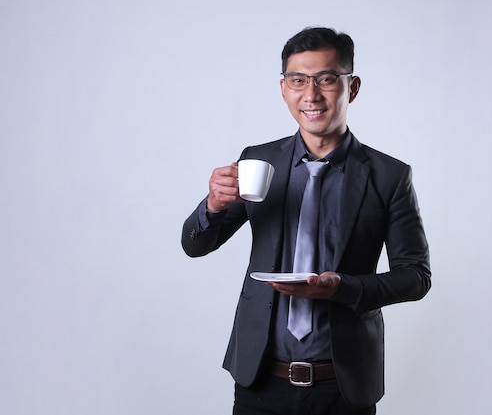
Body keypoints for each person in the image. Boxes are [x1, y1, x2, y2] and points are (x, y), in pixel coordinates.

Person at [181, 26, 431, 415]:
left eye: (327, 79)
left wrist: (343, 288)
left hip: (343, 387)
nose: (311, 95)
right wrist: (212, 206)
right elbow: (195, 245)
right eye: (298, 80)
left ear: (353, 87)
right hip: (260, 383)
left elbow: (416, 276)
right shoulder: (257, 162)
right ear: (284, 89)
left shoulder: (388, 176)